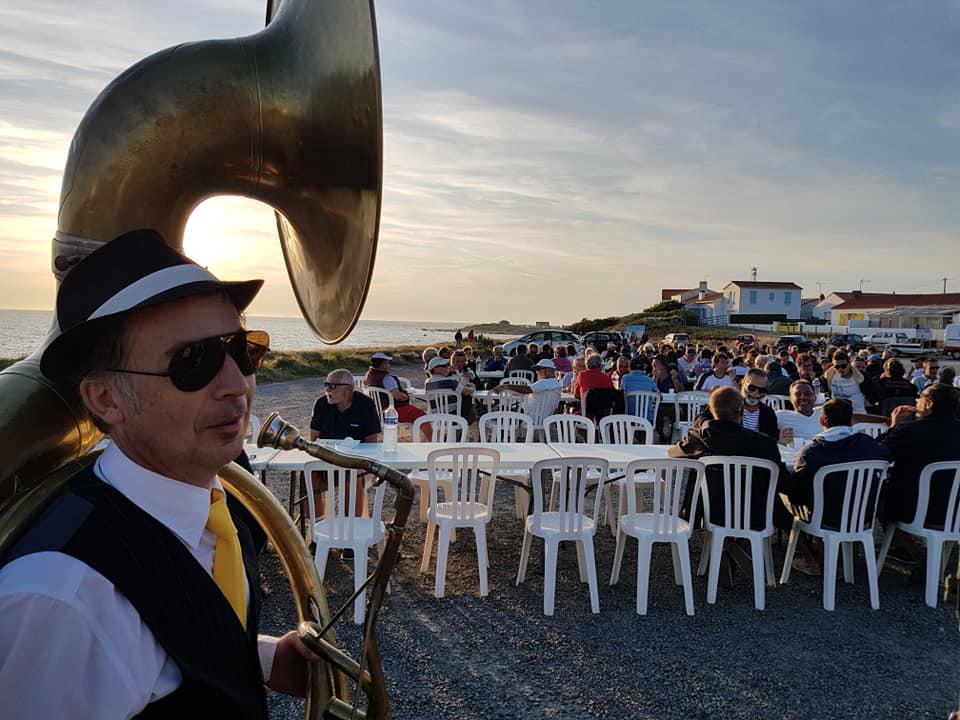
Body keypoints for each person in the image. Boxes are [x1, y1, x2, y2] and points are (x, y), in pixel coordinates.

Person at [0, 229, 316, 717]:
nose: (237, 384)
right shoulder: (59, 602)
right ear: (104, 399)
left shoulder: (210, 505)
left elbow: (154, 643)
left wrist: (268, 658)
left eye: (242, 349)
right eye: (193, 361)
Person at [784, 399, 888, 575]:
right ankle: (847, 558)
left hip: (823, 517)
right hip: (862, 515)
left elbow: (798, 493)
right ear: (851, 420)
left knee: (783, 496)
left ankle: (809, 557)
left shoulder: (812, 452)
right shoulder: (870, 446)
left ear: (822, 420)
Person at [669, 387, 791, 531]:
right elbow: (783, 483)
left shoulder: (698, 439)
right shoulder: (765, 443)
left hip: (713, 513)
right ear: (741, 411)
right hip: (756, 514)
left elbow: (673, 452)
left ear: (712, 410)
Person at [879, 384, 960, 564]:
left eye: (920, 398)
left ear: (929, 403)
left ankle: (910, 550)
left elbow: (877, 455)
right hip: (955, 510)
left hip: (916, 510)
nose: (917, 402)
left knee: (878, 495)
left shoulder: (909, 430)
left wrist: (893, 425)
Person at [311, 369, 382, 442]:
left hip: (356, 452)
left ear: (348, 389)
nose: (327, 390)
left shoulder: (366, 404)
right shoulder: (321, 403)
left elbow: (371, 441)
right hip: (326, 451)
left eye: (332, 386)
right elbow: (314, 438)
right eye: (326, 385)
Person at [362, 352, 426, 427]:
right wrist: (406, 396)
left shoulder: (368, 376)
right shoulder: (387, 378)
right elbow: (397, 396)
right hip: (393, 412)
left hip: (376, 413)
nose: (389, 365)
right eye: (387, 363)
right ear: (382, 364)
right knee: (423, 417)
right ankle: (433, 437)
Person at [820, 350, 877, 414]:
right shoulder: (828, 377)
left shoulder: (861, 377)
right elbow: (824, 392)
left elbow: (874, 395)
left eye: (843, 366)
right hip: (837, 414)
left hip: (858, 414)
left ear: (849, 363)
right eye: (837, 367)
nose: (840, 369)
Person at [425, 356, 476, 422]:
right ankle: (461, 427)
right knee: (468, 399)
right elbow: (466, 391)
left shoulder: (427, 382)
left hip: (435, 417)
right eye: (444, 366)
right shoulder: (450, 381)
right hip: (452, 416)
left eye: (447, 365)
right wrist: (472, 388)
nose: (447, 367)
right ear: (435, 369)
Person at [775, 379, 824, 444]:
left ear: (815, 397)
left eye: (807, 394)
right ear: (791, 399)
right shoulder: (780, 416)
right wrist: (779, 441)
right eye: (798, 394)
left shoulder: (824, 413)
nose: (803, 397)